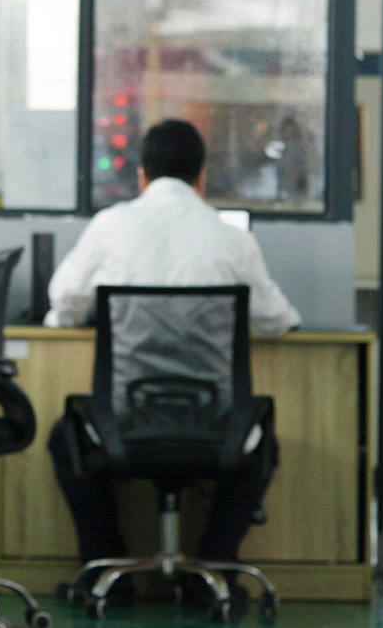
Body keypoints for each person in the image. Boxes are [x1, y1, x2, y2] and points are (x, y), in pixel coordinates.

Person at [43, 118, 299, 601]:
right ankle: (214, 572)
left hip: (123, 424)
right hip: (213, 424)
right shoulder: (232, 239)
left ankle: (110, 576)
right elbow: (274, 321)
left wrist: (72, 316)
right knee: (261, 443)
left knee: (65, 438)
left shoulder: (110, 226)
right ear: (202, 178)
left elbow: (64, 302)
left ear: (142, 176)